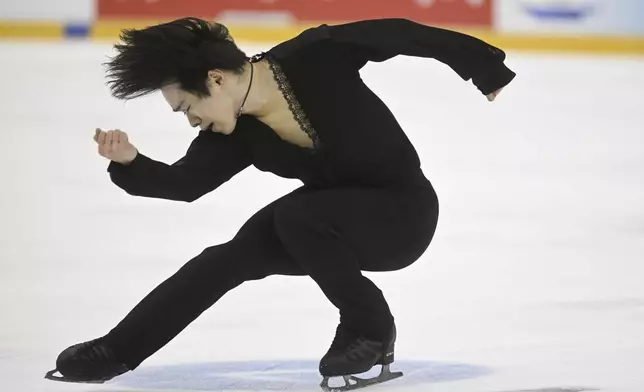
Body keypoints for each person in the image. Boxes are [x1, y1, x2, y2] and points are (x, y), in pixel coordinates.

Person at [45, 16, 515, 390]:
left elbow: (400, 33)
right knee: (226, 259)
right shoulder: (234, 131)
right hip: (324, 225)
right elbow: (186, 184)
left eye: (187, 108)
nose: (191, 122)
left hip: (403, 216)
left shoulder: (315, 57)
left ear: (215, 78)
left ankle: (369, 328)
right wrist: (128, 161)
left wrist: (483, 65)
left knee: (296, 213)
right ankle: (117, 350)